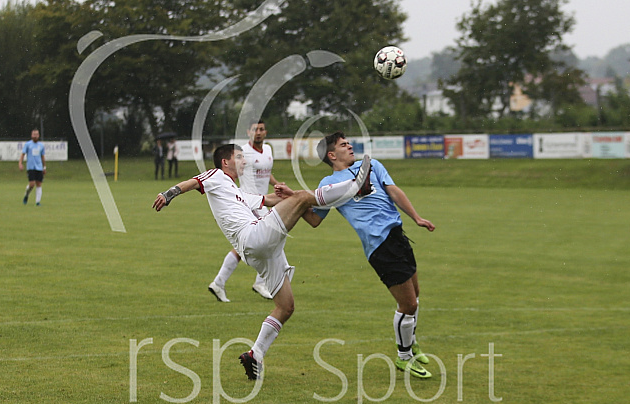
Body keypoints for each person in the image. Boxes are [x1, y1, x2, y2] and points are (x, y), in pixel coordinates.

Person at [153, 144, 371, 380]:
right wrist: (168, 194)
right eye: (239, 157)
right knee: (303, 199)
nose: (244, 161)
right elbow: (193, 182)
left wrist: (285, 195)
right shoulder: (216, 176)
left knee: (286, 307)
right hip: (254, 237)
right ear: (225, 162)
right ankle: (354, 187)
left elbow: (267, 200)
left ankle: (254, 354)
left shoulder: (237, 192)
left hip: (261, 251)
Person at [303, 132, 435, 379]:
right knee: (408, 304)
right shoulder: (328, 185)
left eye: (348, 142)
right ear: (332, 155)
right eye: (343, 145)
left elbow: (393, 191)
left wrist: (416, 217)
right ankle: (404, 356)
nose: (350, 146)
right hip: (379, 245)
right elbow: (314, 220)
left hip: (398, 236)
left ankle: (410, 342)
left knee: (415, 296)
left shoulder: (372, 165)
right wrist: (296, 202)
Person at [209, 120, 282, 302]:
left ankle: (219, 282)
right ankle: (261, 282)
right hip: (250, 202)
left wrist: (276, 184)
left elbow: (266, 172)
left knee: (243, 247)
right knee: (274, 238)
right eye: (255, 129)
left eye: (261, 129)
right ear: (249, 132)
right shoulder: (242, 152)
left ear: (266, 132)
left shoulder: (268, 150)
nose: (258, 132)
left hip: (263, 201)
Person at [18, 129, 46, 206]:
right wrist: (20, 163)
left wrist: (44, 167)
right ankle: (26, 195)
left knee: (39, 184)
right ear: (31, 135)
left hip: (39, 167)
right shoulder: (28, 144)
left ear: (39, 135)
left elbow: (43, 157)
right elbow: (23, 154)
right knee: (32, 184)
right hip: (31, 167)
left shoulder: (41, 145)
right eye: (34, 134)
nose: (35, 136)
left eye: (36, 134)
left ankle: (38, 202)